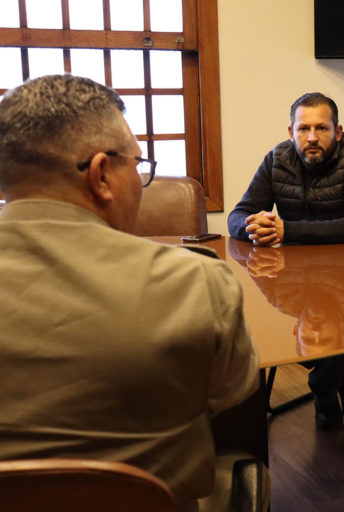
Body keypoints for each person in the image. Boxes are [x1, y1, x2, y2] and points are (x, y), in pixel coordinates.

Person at [0, 74, 260, 512]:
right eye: (138, 165)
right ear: (101, 175)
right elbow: (233, 399)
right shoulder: (196, 283)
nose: (141, 180)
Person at [228, 92, 344, 430]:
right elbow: (238, 214)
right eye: (303, 129)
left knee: (326, 316)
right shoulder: (277, 159)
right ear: (291, 132)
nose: (312, 137)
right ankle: (341, 367)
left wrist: (287, 231)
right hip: (294, 270)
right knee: (272, 320)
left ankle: (323, 385)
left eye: (321, 128)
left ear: (338, 131)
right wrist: (252, 226)